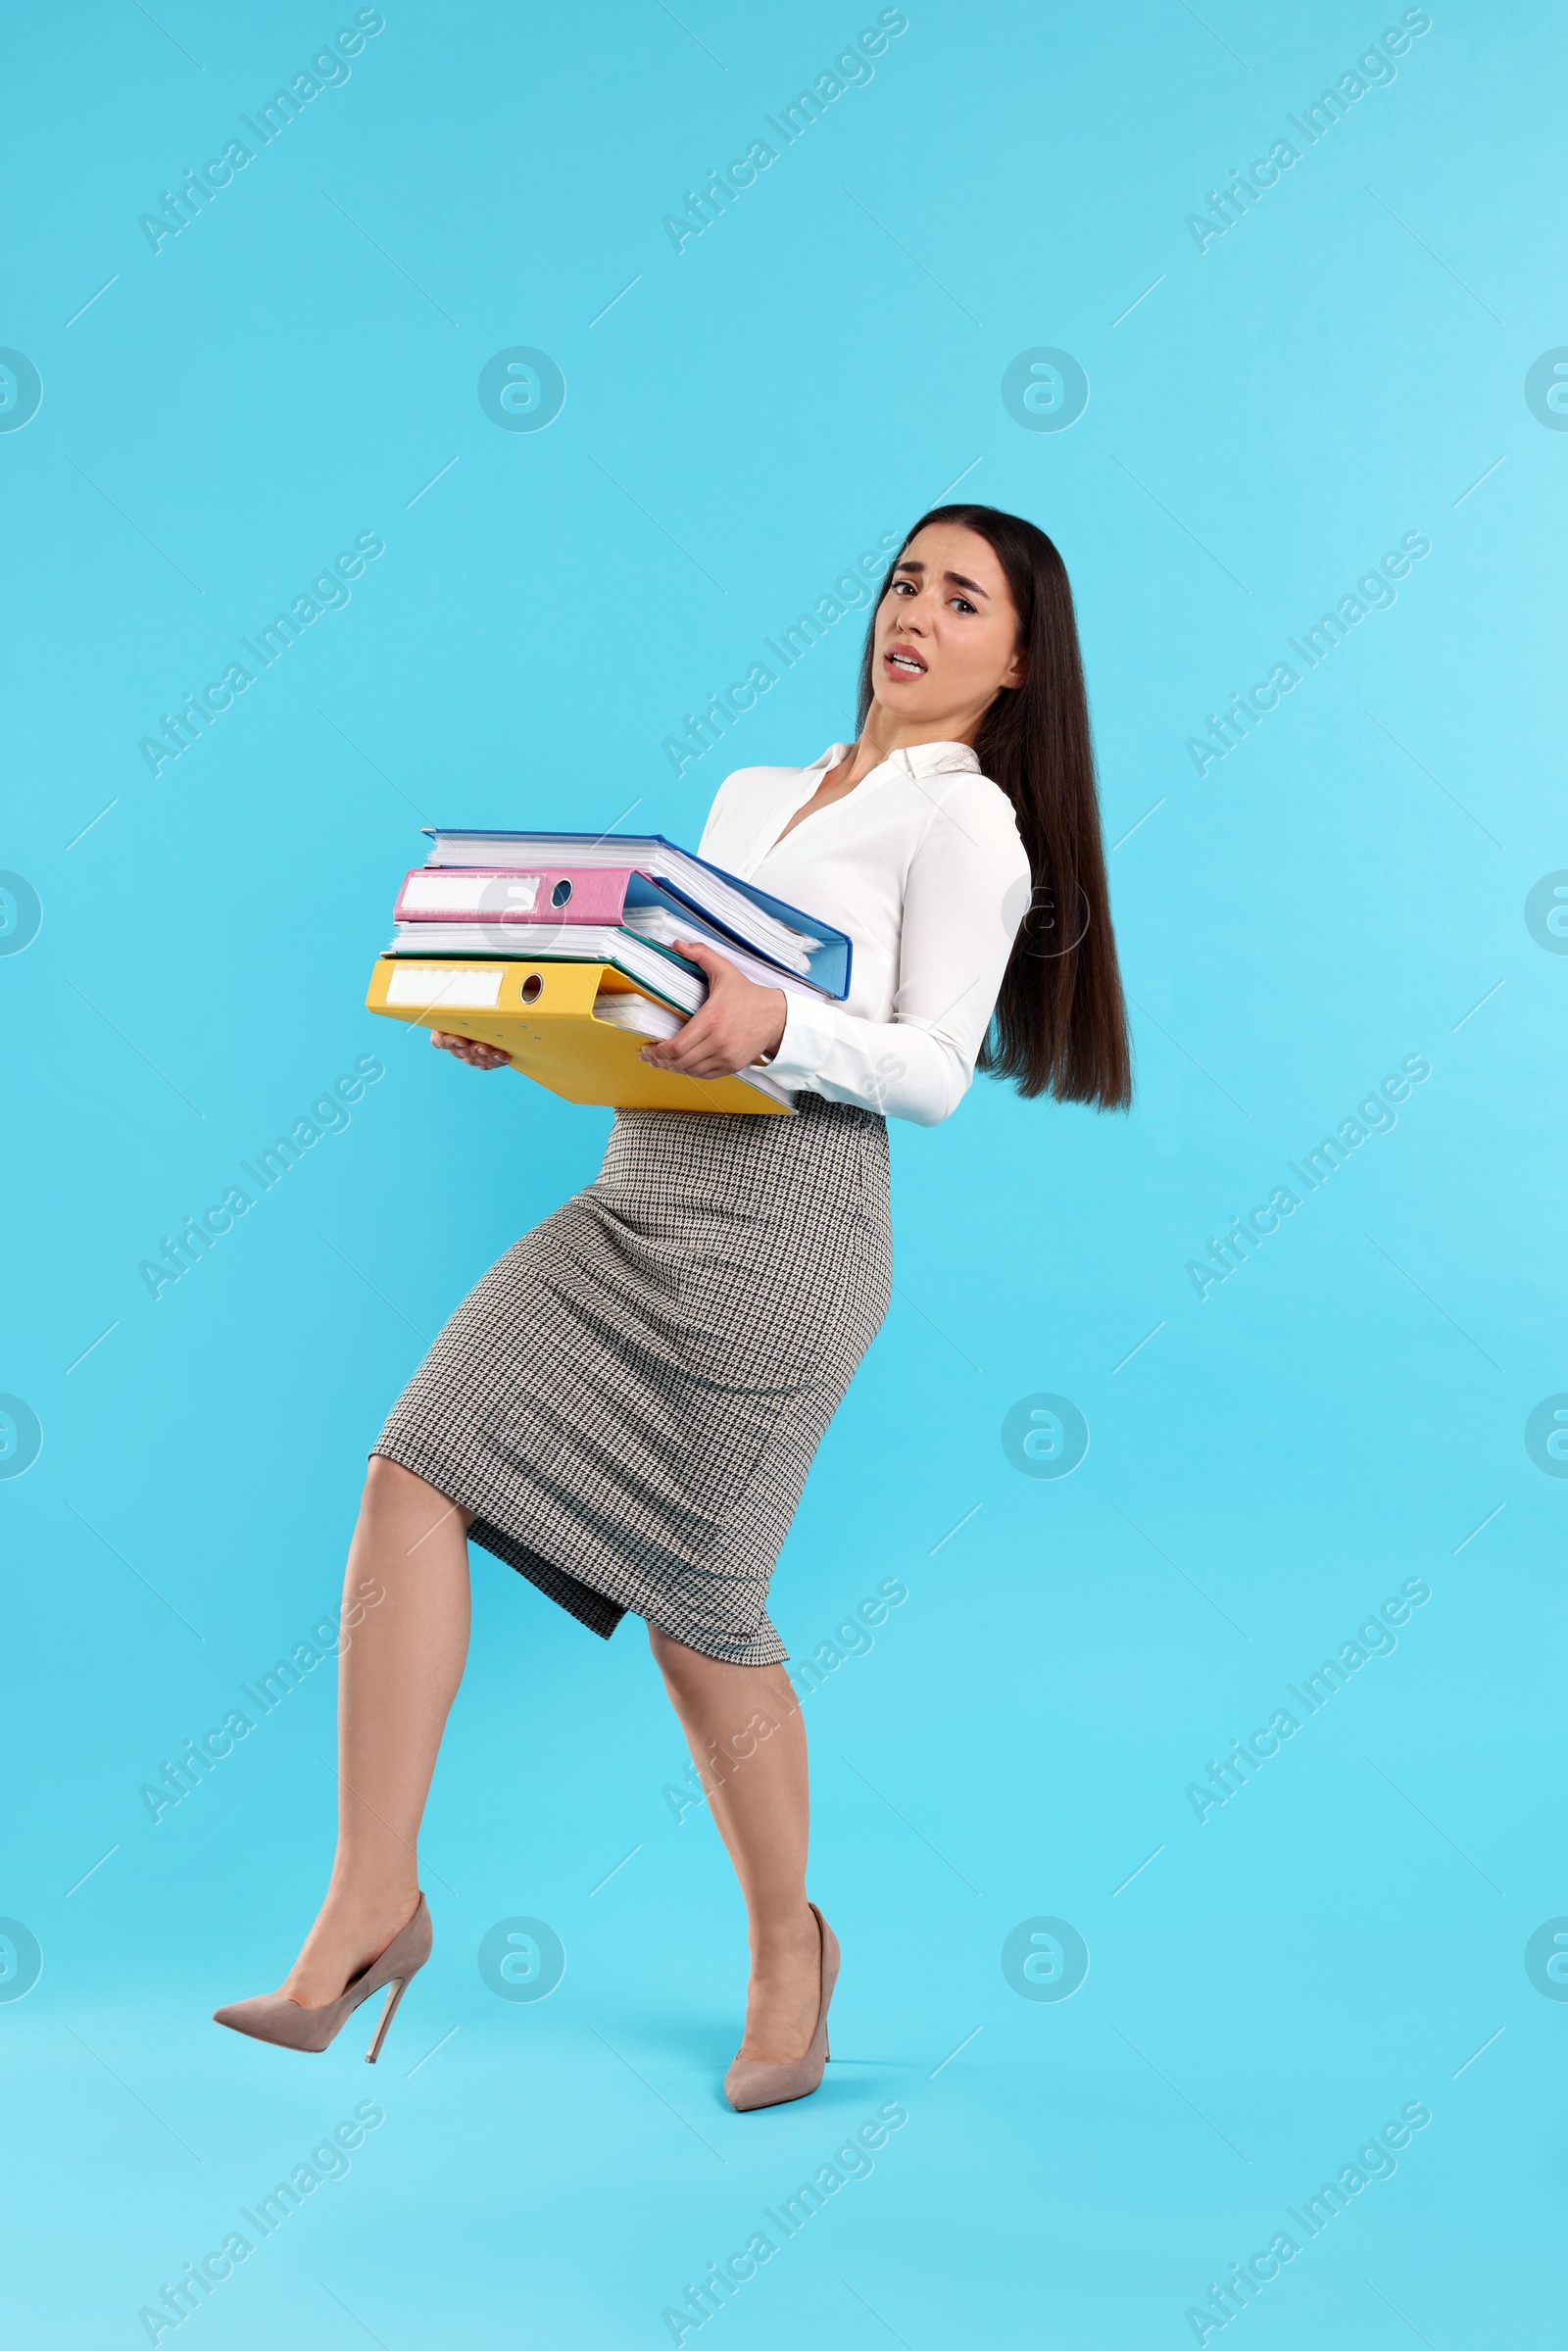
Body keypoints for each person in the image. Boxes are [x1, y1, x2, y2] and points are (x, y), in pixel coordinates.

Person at [213, 503, 1132, 2108]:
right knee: (414, 1464)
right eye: (903, 579)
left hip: (793, 1241)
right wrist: (543, 1021)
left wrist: (781, 1015)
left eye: (961, 597)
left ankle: (793, 1950)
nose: (914, 612)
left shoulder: (971, 823)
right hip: (641, 1192)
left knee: (702, 1617)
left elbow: (926, 1070)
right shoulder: (759, 791)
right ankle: (372, 1900)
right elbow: (681, 1019)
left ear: (1020, 657)